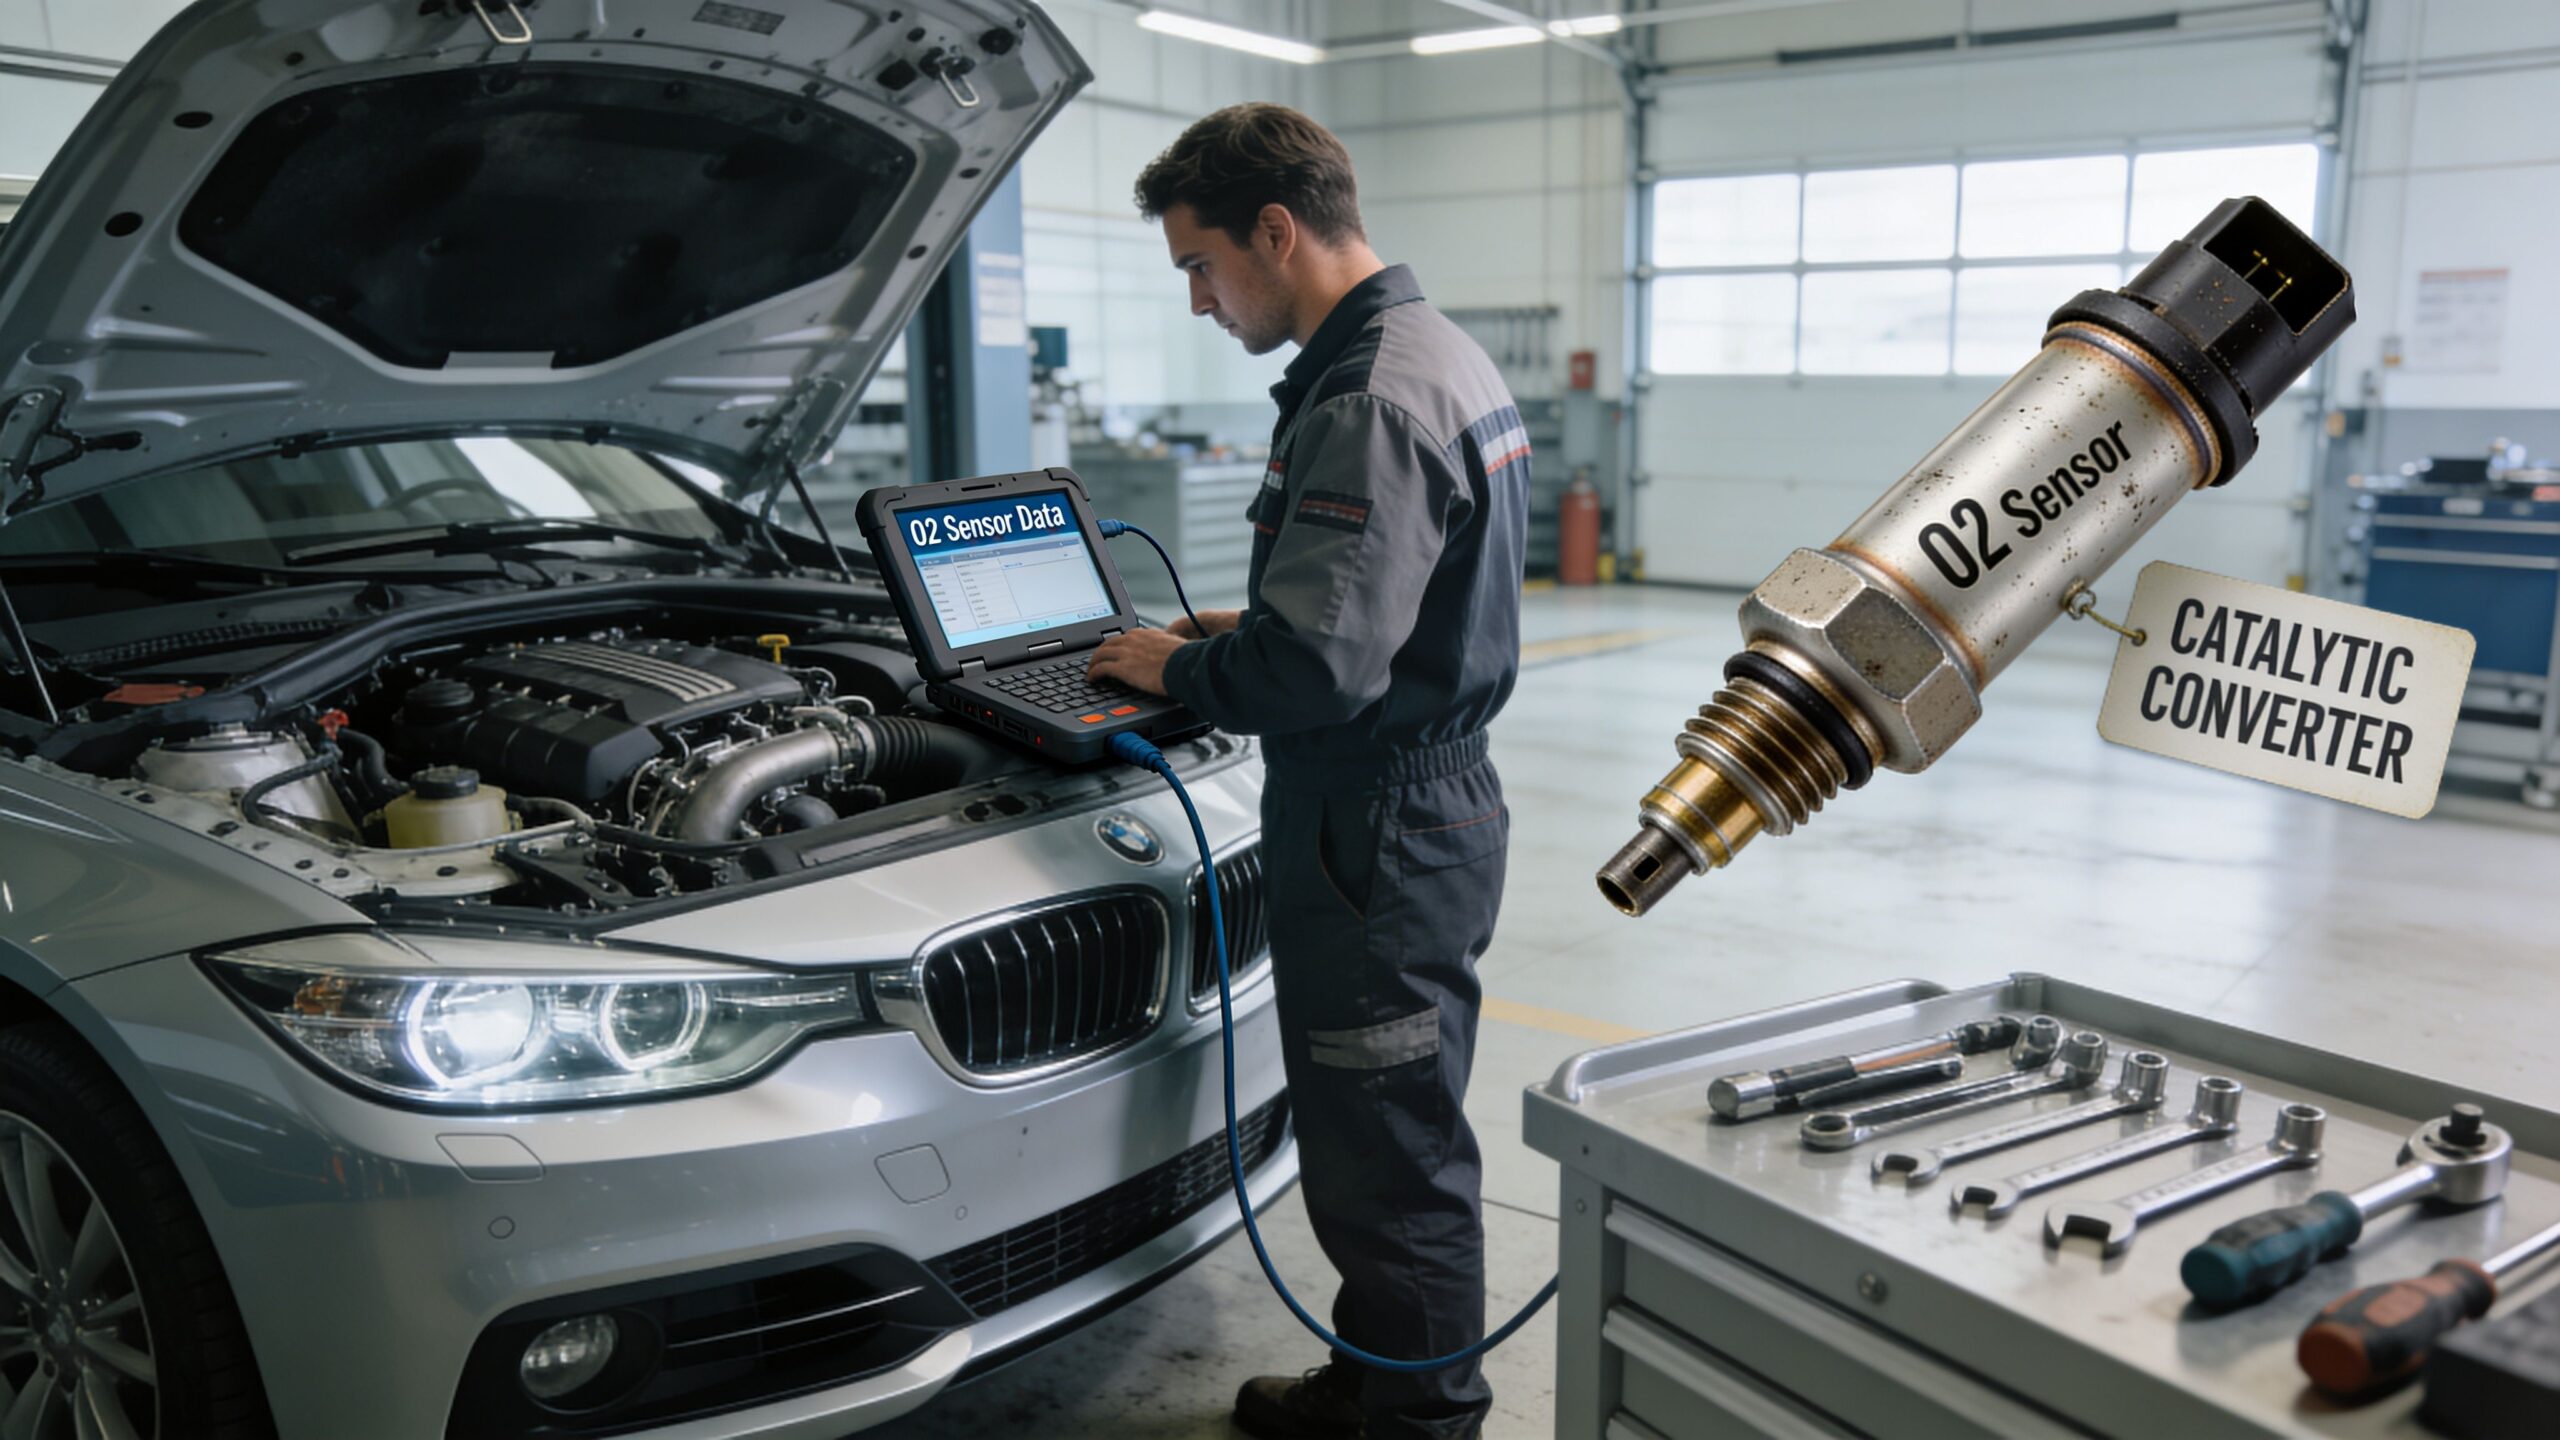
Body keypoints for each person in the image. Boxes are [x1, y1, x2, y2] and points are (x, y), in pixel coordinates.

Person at [1086, 102, 1529, 1440]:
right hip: (1424, 800)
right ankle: (1388, 1381)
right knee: (1389, 1126)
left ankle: (1412, 1420)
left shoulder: (1370, 396)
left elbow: (1315, 678)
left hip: (1375, 827)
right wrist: (1230, 628)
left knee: (1388, 1153)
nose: (1203, 302)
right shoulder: (1433, 352)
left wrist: (1173, 671)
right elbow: (1394, 602)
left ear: (1277, 232)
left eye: (1201, 267)